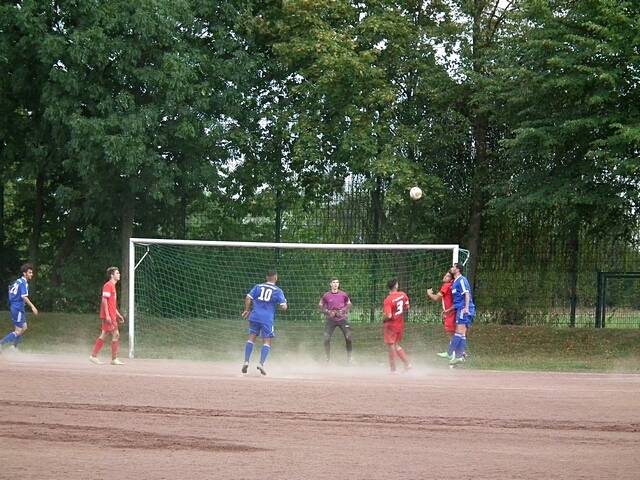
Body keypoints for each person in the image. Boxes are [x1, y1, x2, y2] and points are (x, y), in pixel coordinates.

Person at [241, 271, 287, 376]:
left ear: (266, 277)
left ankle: (246, 361)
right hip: (267, 319)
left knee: (251, 338)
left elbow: (248, 298)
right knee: (267, 341)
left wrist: (246, 310)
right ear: (276, 277)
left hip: (255, 316)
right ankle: (261, 364)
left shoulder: (258, 286)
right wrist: (283, 305)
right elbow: (284, 307)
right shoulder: (278, 291)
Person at [438, 262, 475, 365]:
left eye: (453, 267)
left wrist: (467, 308)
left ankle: (449, 353)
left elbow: (467, 293)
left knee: (458, 332)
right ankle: (458, 357)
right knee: (462, 334)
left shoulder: (462, 280)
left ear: (458, 269)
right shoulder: (455, 282)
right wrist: (449, 310)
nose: (452, 268)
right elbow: (457, 300)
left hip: (464, 309)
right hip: (460, 309)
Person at [90, 267, 125, 365]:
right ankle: (113, 359)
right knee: (116, 334)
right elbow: (104, 301)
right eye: (117, 273)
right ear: (112, 275)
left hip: (112, 315)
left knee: (105, 334)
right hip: (108, 316)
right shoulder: (108, 285)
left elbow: (112, 304)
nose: (119, 274)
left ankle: (94, 356)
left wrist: (118, 315)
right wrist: (108, 315)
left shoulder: (113, 286)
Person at [1, 263, 39, 350]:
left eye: (31, 272)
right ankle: (1, 343)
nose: (31, 274)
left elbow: (10, 290)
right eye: (29, 272)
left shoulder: (18, 281)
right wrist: (33, 307)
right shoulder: (24, 283)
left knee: (24, 327)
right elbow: (24, 296)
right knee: (18, 331)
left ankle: (14, 347)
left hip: (17, 307)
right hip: (17, 308)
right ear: (24, 273)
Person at [319, 278, 353, 364]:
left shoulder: (343, 294)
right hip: (331, 320)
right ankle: (327, 359)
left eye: (337, 282)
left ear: (338, 284)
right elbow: (320, 305)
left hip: (342, 319)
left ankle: (350, 359)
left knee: (348, 337)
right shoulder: (326, 295)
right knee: (326, 339)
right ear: (330, 284)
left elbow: (349, 304)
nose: (335, 284)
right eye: (333, 282)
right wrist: (328, 312)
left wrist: (342, 311)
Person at [382, 278, 412, 373]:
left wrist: (383, 319)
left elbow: (389, 315)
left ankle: (393, 369)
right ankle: (407, 364)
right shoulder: (403, 295)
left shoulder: (388, 300)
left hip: (391, 326)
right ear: (396, 285)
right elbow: (407, 307)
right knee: (396, 345)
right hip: (400, 324)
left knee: (391, 345)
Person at [427, 271, 456, 350]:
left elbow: (436, 298)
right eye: (445, 275)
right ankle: (452, 352)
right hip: (451, 311)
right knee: (453, 333)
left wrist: (429, 293)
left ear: (451, 279)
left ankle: (459, 353)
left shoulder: (446, 286)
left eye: (448, 276)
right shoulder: (452, 284)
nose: (445, 276)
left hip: (450, 312)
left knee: (451, 333)